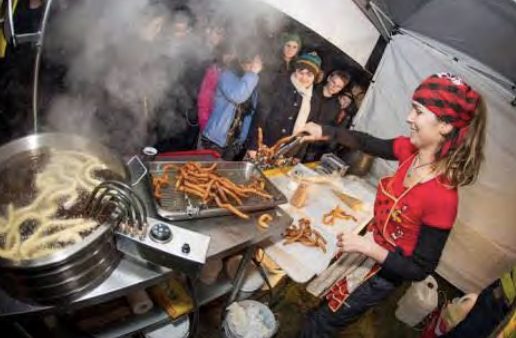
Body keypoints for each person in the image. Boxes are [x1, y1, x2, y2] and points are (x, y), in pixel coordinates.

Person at [297, 73, 487, 338]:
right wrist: (325, 131)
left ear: (444, 125)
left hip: (381, 275)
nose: (409, 117)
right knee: (325, 301)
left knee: (324, 323)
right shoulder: (410, 152)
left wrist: (368, 247)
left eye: (418, 111)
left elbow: (420, 268)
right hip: (367, 246)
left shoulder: (443, 197)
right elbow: (365, 142)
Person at [247, 52, 324, 158]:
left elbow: (307, 131)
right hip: (263, 147)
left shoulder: (314, 100)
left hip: (286, 154)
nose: (304, 77)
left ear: (315, 77)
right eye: (301, 72)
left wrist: (298, 156)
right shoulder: (279, 84)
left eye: (309, 74)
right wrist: (253, 146)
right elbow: (260, 115)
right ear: (295, 70)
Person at [200, 46, 262, 160]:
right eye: (250, 62)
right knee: (201, 175)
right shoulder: (227, 75)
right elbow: (238, 96)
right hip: (214, 141)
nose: (253, 66)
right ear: (241, 62)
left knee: (221, 177)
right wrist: (253, 73)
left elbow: (249, 114)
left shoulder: (251, 81)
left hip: (233, 145)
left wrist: (242, 140)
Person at [304, 70, 351, 161]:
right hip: (296, 137)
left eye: (338, 87)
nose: (334, 87)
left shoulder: (336, 106)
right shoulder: (311, 90)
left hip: (313, 148)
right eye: (334, 82)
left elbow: (329, 127)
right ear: (329, 78)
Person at [197, 42, 236, 133]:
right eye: (228, 54)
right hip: (210, 128)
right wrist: (205, 126)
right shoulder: (214, 72)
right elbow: (204, 100)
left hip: (225, 132)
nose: (230, 57)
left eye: (233, 54)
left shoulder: (236, 74)